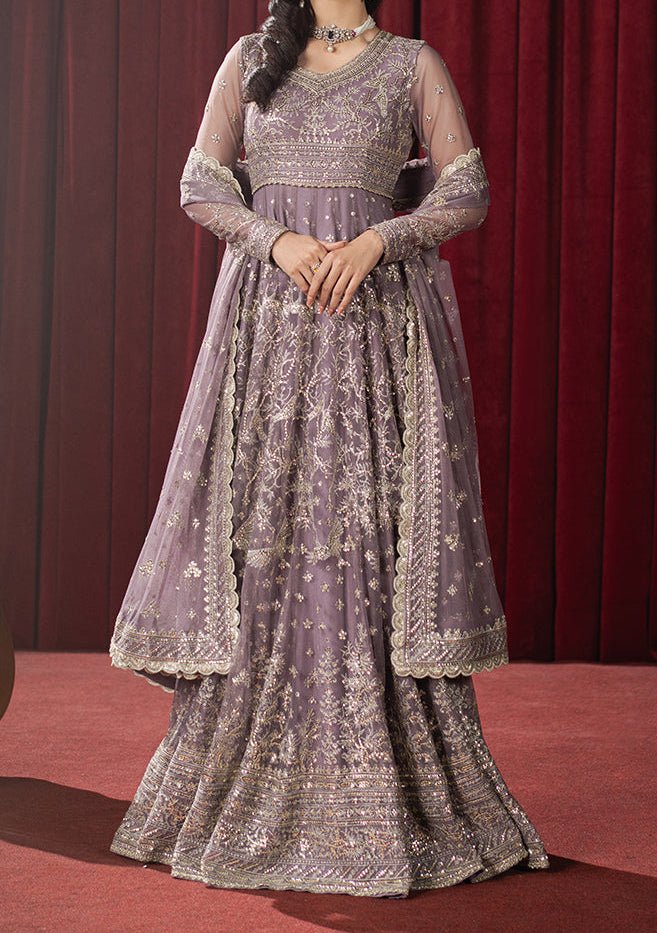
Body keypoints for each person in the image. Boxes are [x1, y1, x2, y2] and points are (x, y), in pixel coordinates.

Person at [108, 0, 550, 897]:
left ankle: (384, 788)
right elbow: (201, 182)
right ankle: (242, 776)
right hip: (266, 334)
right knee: (260, 538)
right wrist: (275, 239)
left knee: (367, 536)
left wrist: (379, 239)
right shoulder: (251, 58)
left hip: (371, 335)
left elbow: (465, 189)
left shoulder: (411, 64)